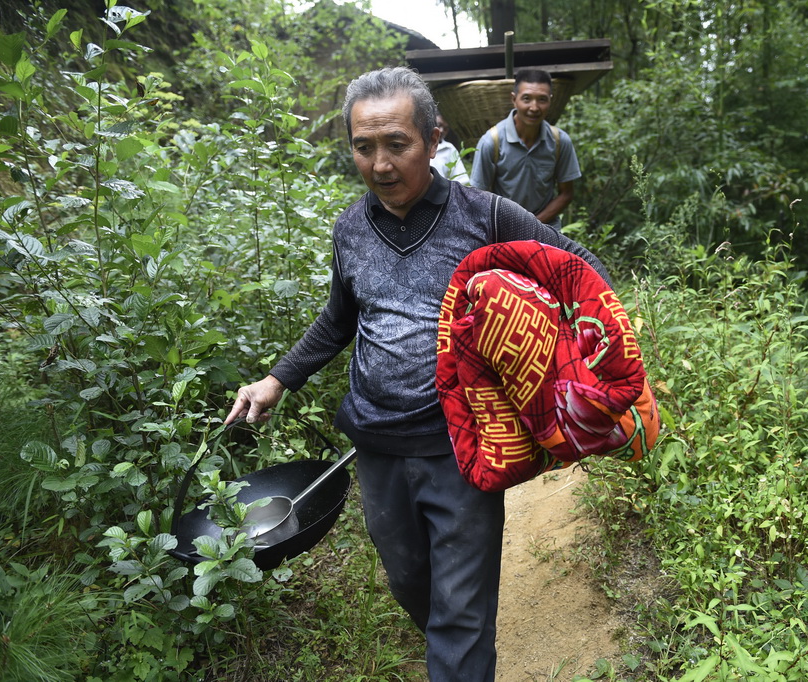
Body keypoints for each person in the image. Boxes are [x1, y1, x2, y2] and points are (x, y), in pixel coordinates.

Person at [224, 66, 610, 682]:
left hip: (461, 446)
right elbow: (337, 320)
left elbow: (577, 264)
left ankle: (461, 656)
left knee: (459, 616)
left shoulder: (484, 215)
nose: (380, 163)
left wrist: (599, 349)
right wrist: (277, 380)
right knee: (410, 584)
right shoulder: (351, 228)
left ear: (433, 141)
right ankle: (457, 650)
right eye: (363, 146)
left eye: (396, 144)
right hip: (376, 446)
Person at [469, 69, 581, 228]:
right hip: (503, 231)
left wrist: (533, 225)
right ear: (514, 99)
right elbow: (478, 197)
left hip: (547, 229)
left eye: (542, 100)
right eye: (526, 99)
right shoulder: (491, 141)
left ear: (550, 101)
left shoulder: (559, 141)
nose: (534, 108)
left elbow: (566, 193)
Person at [429, 109, 470, 184]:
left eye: (445, 128)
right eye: (439, 125)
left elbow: (462, 179)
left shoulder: (449, 148)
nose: (441, 130)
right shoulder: (419, 145)